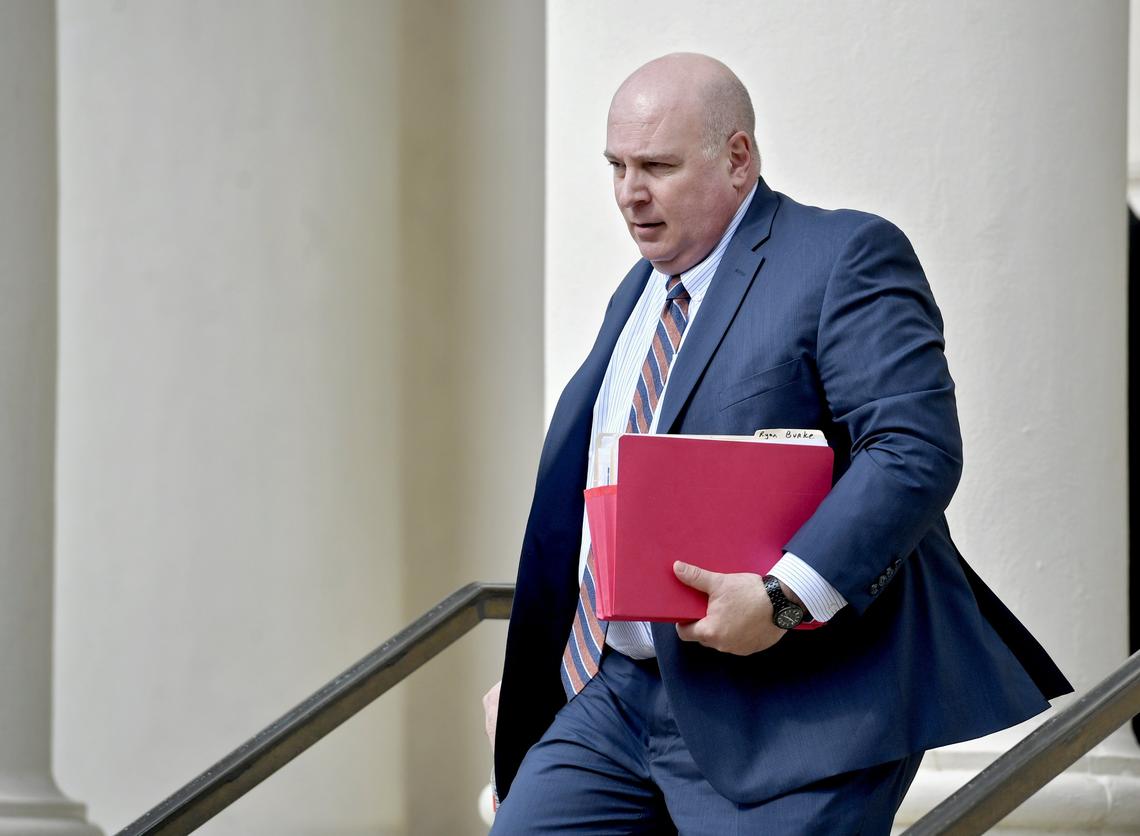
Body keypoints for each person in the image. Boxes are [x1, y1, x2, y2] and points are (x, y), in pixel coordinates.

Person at [483, 52, 1071, 834]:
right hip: (613, 696)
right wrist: (550, 668)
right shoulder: (640, 292)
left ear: (737, 158)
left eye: (656, 165)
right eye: (617, 166)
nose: (630, 192)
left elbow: (912, 448)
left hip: (795, 712)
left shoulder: (843, 256)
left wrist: (784, 599)